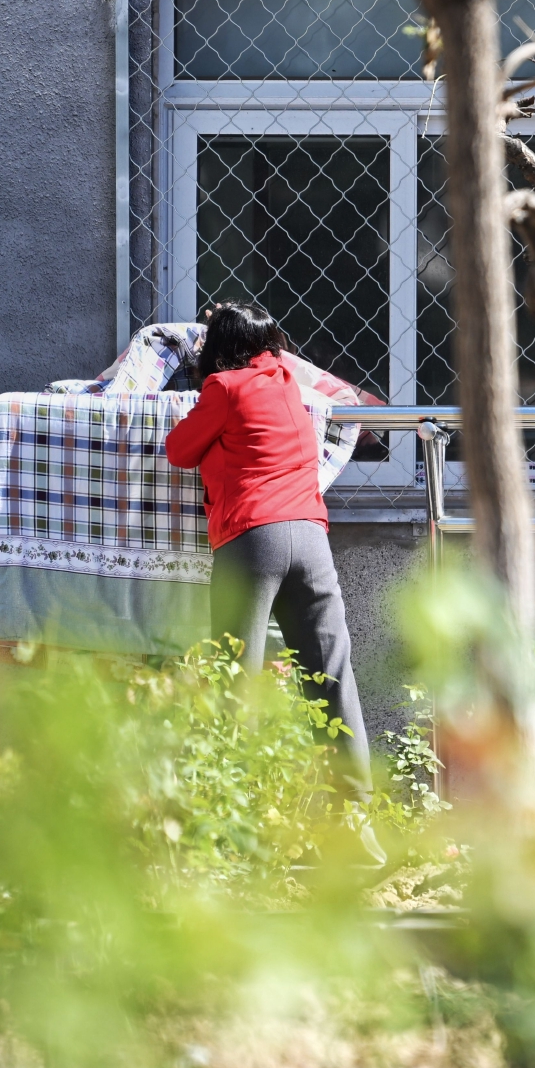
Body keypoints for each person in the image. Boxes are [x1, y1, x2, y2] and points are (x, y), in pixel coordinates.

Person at [164, 302, 372, 795]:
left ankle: (240, 826)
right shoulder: (288, 385)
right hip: (311, 538)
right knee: (332, 681)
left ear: (220, 349)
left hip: (254, 540)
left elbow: (178, 450)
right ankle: (360, 830)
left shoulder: (224, 388)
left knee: (236, 683)